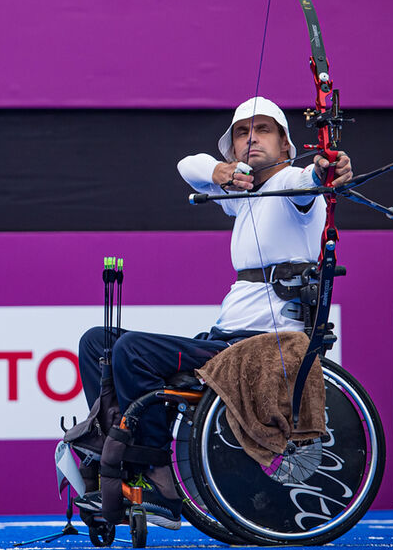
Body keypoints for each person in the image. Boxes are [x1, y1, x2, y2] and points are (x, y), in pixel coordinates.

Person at [73, 96, 353, 529]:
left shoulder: (294, 187)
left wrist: (325, 168)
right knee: (97, 343)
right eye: (242, 133)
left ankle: (159, 480)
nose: (251, 139)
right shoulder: (243, 196)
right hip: (221, 341)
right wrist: (222, 172)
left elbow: (316, 177)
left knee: (132, 351)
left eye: (263, 130)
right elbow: (188, 165)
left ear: (285, 143)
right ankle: (114, 458)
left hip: (258, 345)